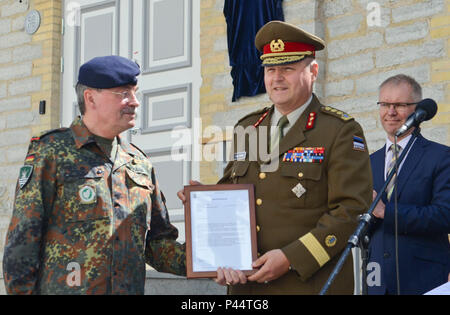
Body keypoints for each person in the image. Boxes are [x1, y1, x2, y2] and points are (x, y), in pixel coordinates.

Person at [179, 21, 373, 294]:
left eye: (287, 69)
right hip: (248, 286)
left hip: (308, 283)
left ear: (313, 71)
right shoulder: (248, 127)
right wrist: (206, 203)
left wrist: (292, 258)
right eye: (271, 69)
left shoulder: (339, 130)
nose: (277, 78)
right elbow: (235, 194)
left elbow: (351, 211)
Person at [3, 55, 186, 295]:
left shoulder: (139, 163)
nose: (135, 102)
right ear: (90, 97)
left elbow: (157, 245)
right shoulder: (52, 152)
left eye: (135, 92)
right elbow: (22, 244)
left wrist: (210, 260)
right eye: (123, 93)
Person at [368, 74, 450, 295]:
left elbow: (445, 215)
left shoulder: (441, 157)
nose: (390, 112)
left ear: (417, 109)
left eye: (400, 105)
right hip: (376, 282)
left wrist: (387, 212)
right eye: (385, 104)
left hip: (424, 280)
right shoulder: (368, 163)